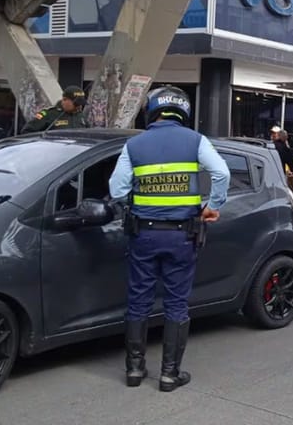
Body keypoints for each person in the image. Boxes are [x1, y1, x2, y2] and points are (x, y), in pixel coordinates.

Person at [108, 85, 231, 392]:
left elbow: (117, 189)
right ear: (183, 112)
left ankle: (134, 371)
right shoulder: (195, 141)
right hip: (181, 236)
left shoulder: (135, 145)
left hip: (144, 235)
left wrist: (137, 200)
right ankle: (169, 374)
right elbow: (222, 174)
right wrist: (212, 207)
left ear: (151, 110)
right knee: (176, 303)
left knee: (138, 300)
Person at [20, 86, 89, 133]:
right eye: (76, 104)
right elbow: (27, 131)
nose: (79, 106)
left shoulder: (81, 116)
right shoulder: (49, 114)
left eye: (81, 104)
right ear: (64, 100)